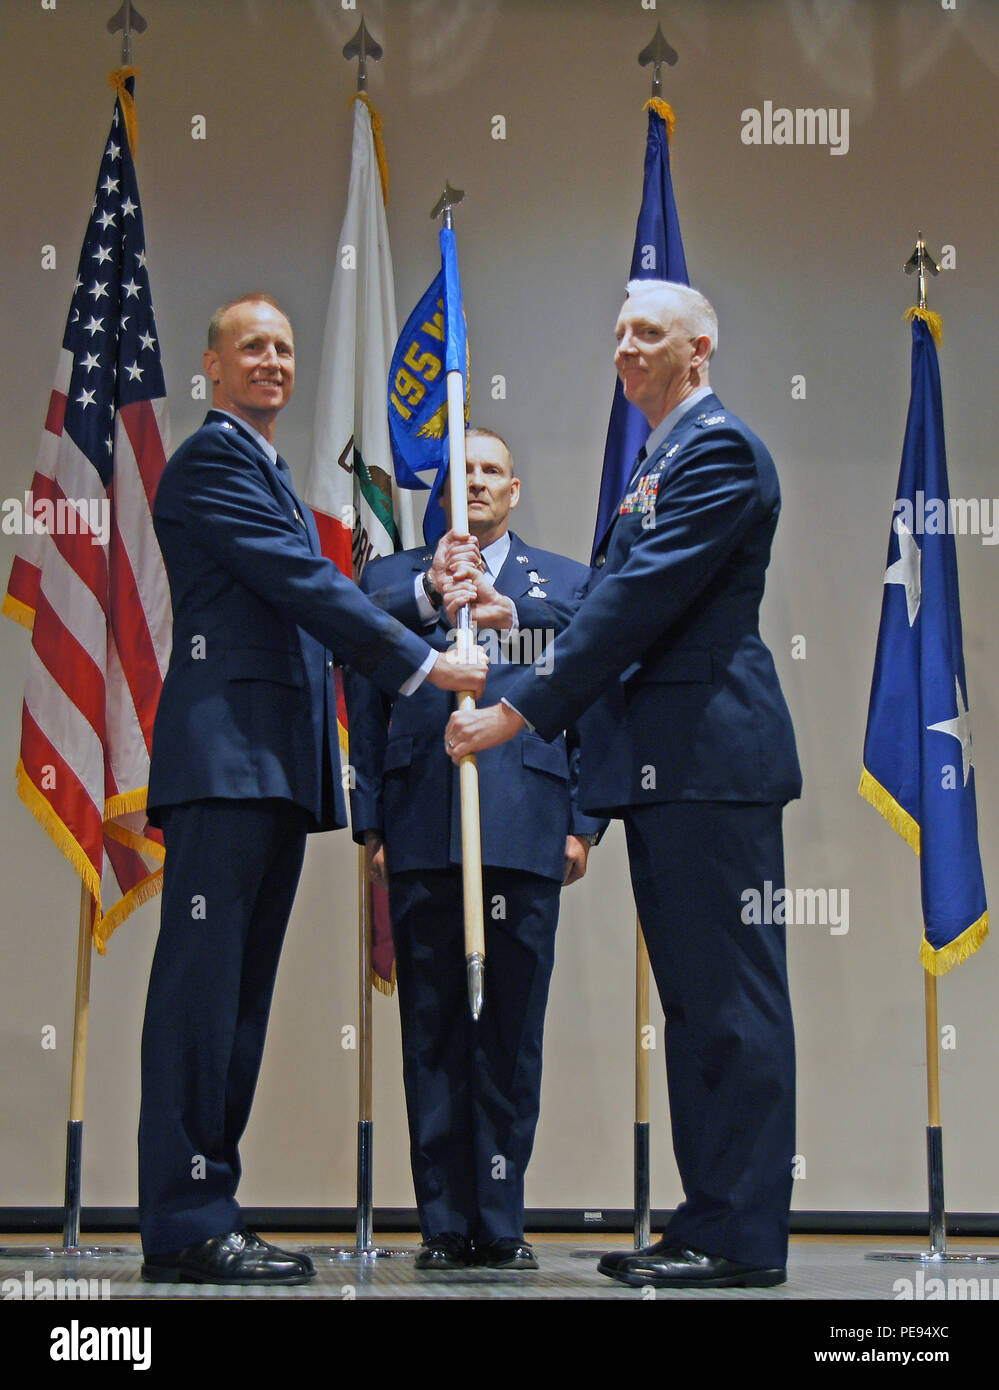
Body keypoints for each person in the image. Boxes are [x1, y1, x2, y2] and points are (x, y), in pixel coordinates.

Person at [445, 282, 802, 1289]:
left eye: (647, 332)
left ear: (701, 350)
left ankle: (740, 1235)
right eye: (616, 332)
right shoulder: (660, 459)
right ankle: (708, 1218)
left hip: (712, 762)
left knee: (731, 1002)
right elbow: (605, 601)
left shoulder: (719, 451)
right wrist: (511, 605)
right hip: (668, 767)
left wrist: (515, 708)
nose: (625, 347)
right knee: (694, 1004)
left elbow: (637, 605)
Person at [138, 293, 485, 1285]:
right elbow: (304, 584)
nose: (274, 363)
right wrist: (424, 667)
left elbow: (315, 582)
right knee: (204, 1000)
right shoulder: (212, 461)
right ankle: (188, 1217)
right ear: (212, 365)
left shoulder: (269, 474)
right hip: (227, 764)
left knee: (237, 1001)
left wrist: (422, 597)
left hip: (273, 768)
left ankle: (208, 1207)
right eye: (252, 347)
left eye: (285, 349)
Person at [345, 429, 605, 1270]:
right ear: (444, 489)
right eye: (464, 472)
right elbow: (364, 695)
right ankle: (443, 1225)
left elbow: (591, 678)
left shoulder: (563, 584)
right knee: (431, 1030)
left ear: (516, 488)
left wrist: (585, 820)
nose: (479, 483)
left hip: (528, 821)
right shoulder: (389, 581)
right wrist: (372, 824)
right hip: (422, 821)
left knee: (508, 1035)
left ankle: (500, 1221)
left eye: (492, 470)